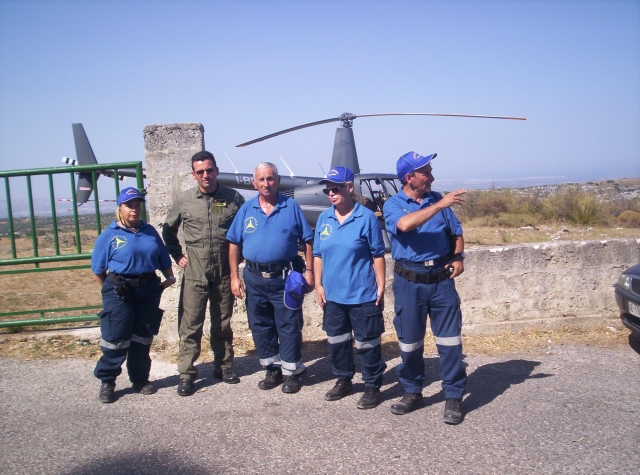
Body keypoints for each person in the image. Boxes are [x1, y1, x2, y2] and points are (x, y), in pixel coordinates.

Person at [383, 151, 468, 424]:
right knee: (409, 342)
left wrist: (457, 256)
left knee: (450, 342)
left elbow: (456, 232)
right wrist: (440, 205)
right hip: (410, 281)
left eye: (430, 171)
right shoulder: (394, 204)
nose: (431, 177)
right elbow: (405, 225)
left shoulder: (438, 201)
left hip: (441, 280)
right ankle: (412, 392)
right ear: (409, 178)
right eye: (426, 173)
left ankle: (453, 396)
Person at [162, 151, 245, 397]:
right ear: (193, 174)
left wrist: (238, 261)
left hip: (223, 270)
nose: (206, 175)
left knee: (222, 322)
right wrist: (177, 255)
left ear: (217, 171)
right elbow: (168, 230)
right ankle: (187, 373)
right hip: (196, 271)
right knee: (191, 324)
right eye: (200, 171)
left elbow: (243, 231)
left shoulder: (232, 198)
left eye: (209, 170)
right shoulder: (184, 199)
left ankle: (224, 366)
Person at [227, 162, 314, 394]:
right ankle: (272, 369)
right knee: (261, 325)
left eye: (271, 178)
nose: (266, 183)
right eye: (262, 179)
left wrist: (310, 272)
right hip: (254, 278)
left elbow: (308, 240)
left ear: (278, 180)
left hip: (284, 277)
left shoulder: (291, 206)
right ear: (255, 183)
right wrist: (234, 277)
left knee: (289, 325)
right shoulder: (246, 209)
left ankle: (292, 372)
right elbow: (234, 243)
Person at [92, 187, 176, 403]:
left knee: (142, 337)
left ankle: (140, 379)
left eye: (137, 205)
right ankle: (108, 381)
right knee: (116, 338)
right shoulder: (109, 235)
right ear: (120, 208)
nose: (134, 210)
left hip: (147, 288)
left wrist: (168, 277)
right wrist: (109, 290)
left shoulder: (149, 231)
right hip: (120, 290)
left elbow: (163, 258)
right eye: (129, 205)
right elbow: (98, 269)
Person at [313, 166, 387, 409]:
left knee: (367, 343)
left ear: (349, 188)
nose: (331, 193)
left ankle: (372, 385)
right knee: (337, 342)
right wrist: (318, 285)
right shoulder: (324, 218)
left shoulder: (365, 217)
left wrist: (381, 285)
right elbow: (318, 254)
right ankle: (343, 380)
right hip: (333, 294)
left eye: (336, 188)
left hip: (362, 293)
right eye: (328, 190)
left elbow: (377, 254)